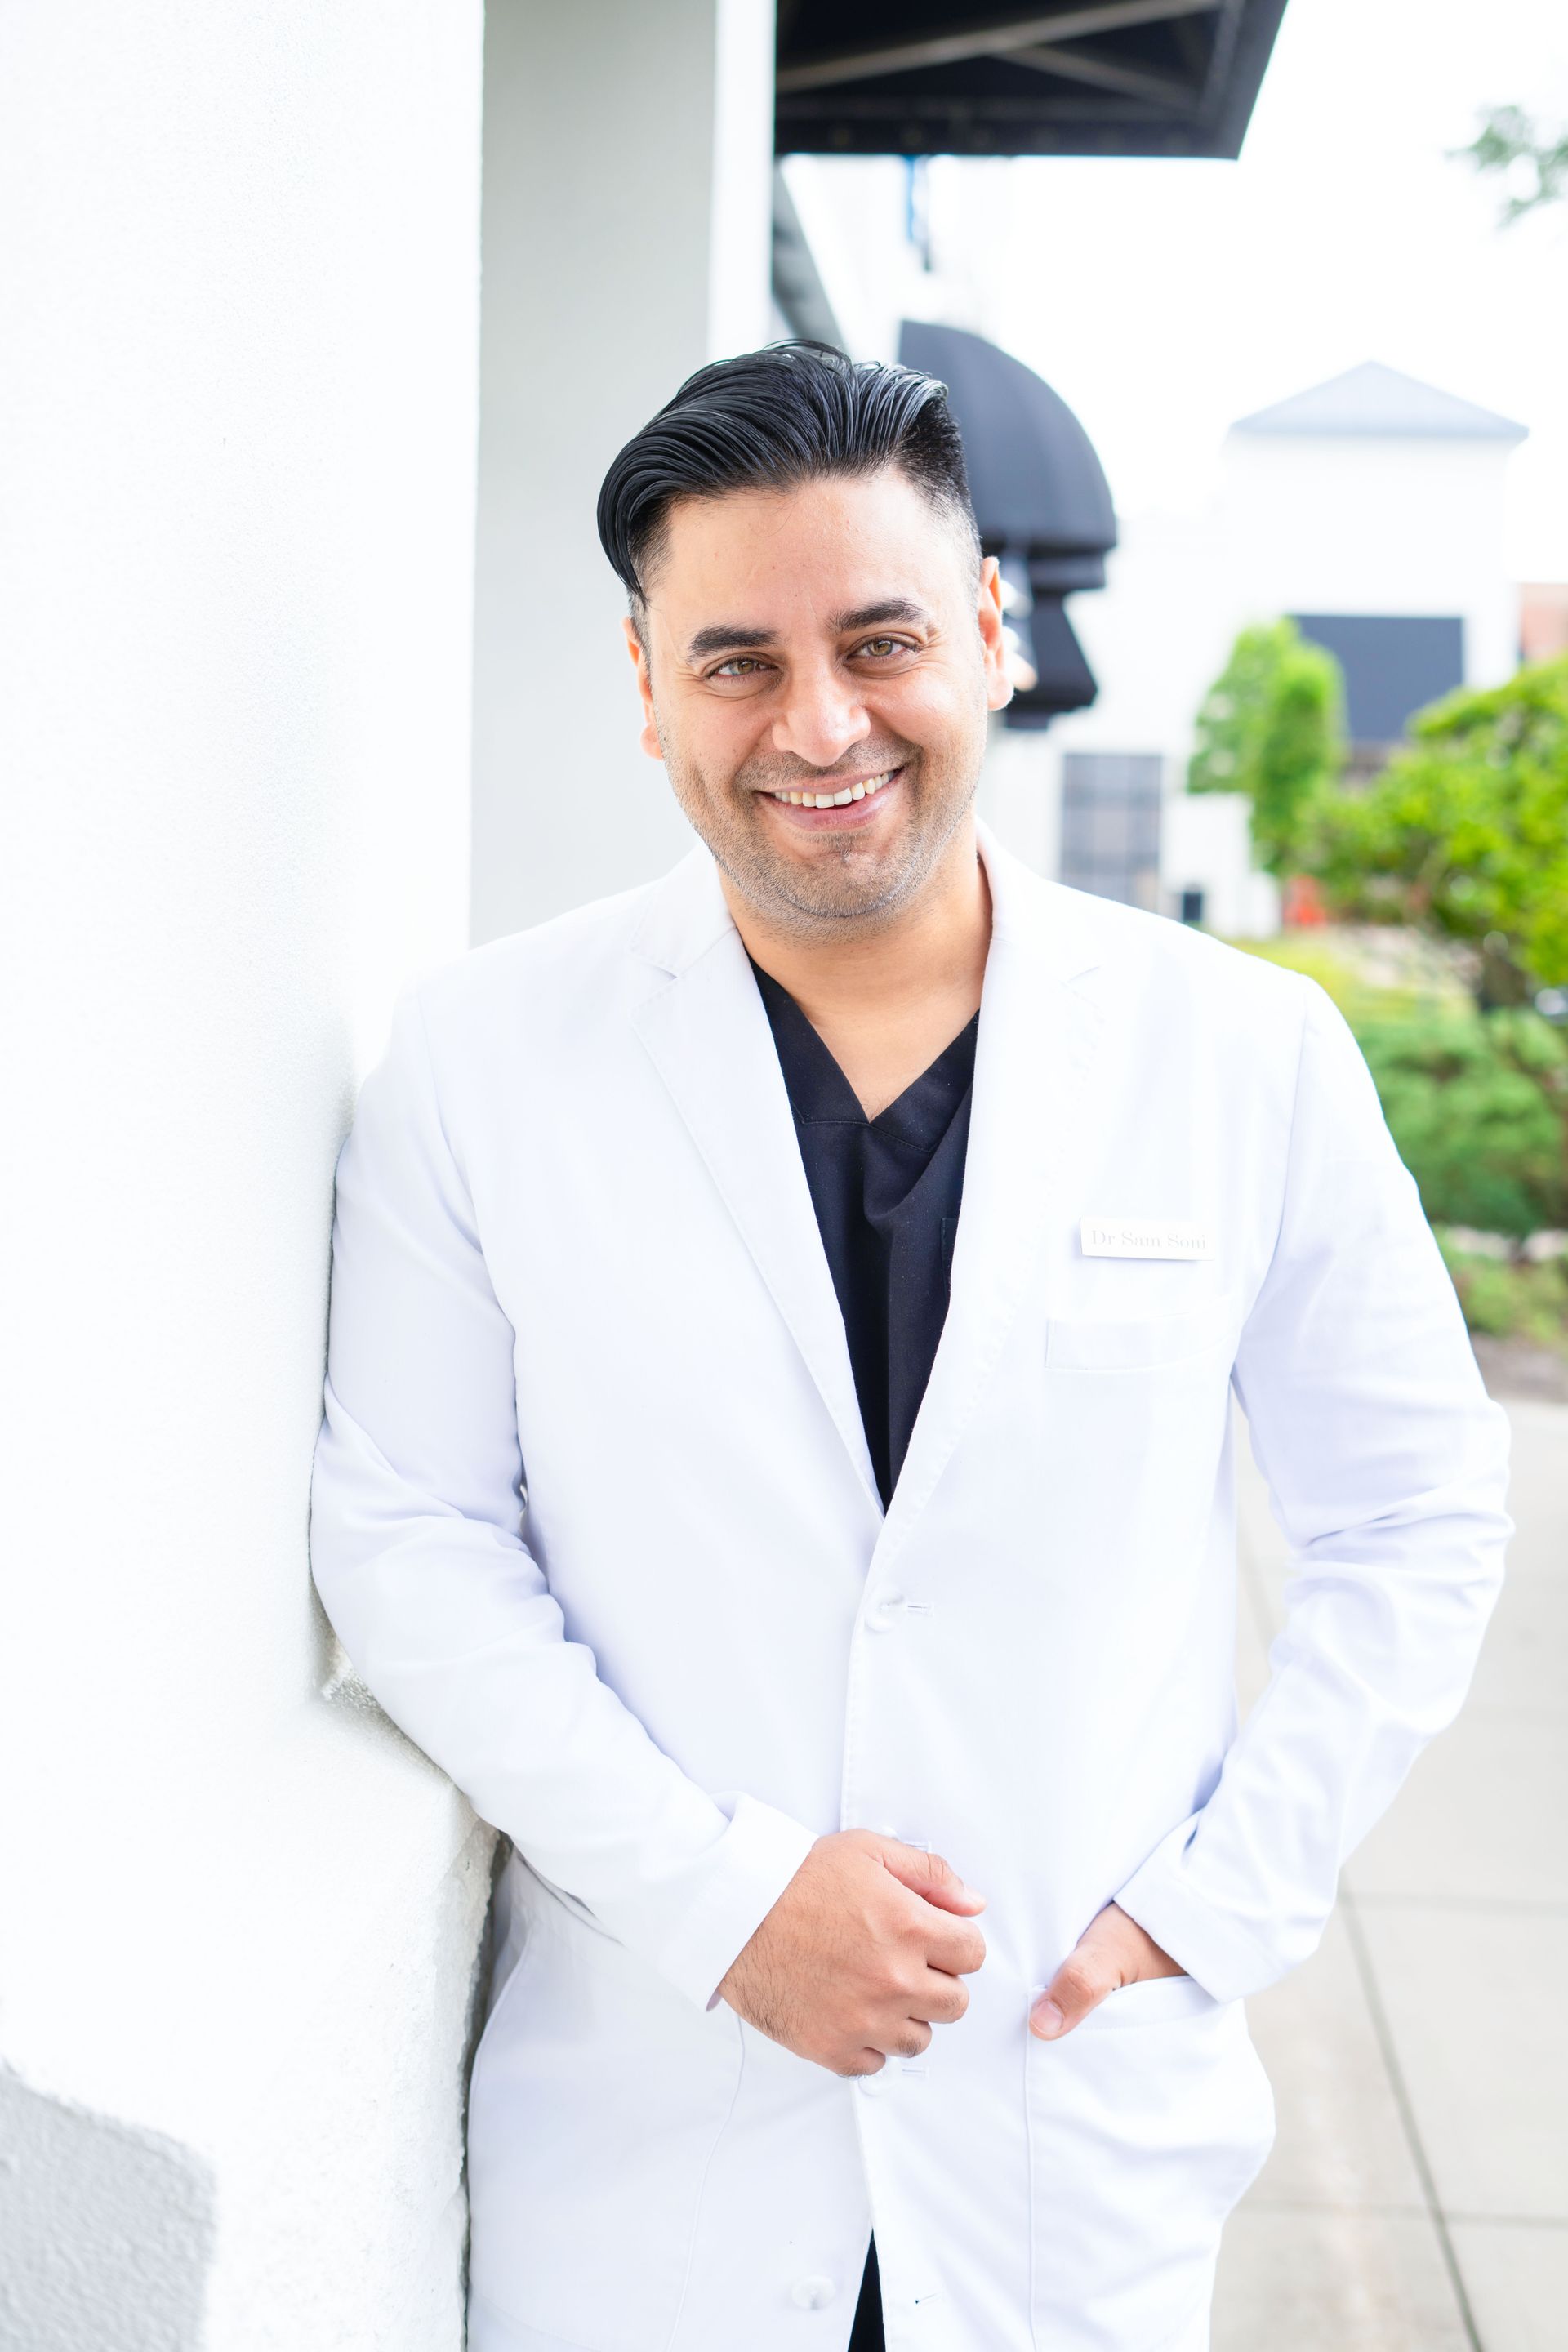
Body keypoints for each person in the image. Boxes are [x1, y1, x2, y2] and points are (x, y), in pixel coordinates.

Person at [309, 343, 1511, 2352]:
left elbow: (1417, 1517)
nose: (820, 724)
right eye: (736, 662)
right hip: (648, 2144)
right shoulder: (482, 1060)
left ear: (992, 633)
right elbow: (409, 1541)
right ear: (643, 689)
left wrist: (1209, 1912)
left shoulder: (1241, 1053)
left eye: (880, 641)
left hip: (1067, 2117)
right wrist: (726, 1905)